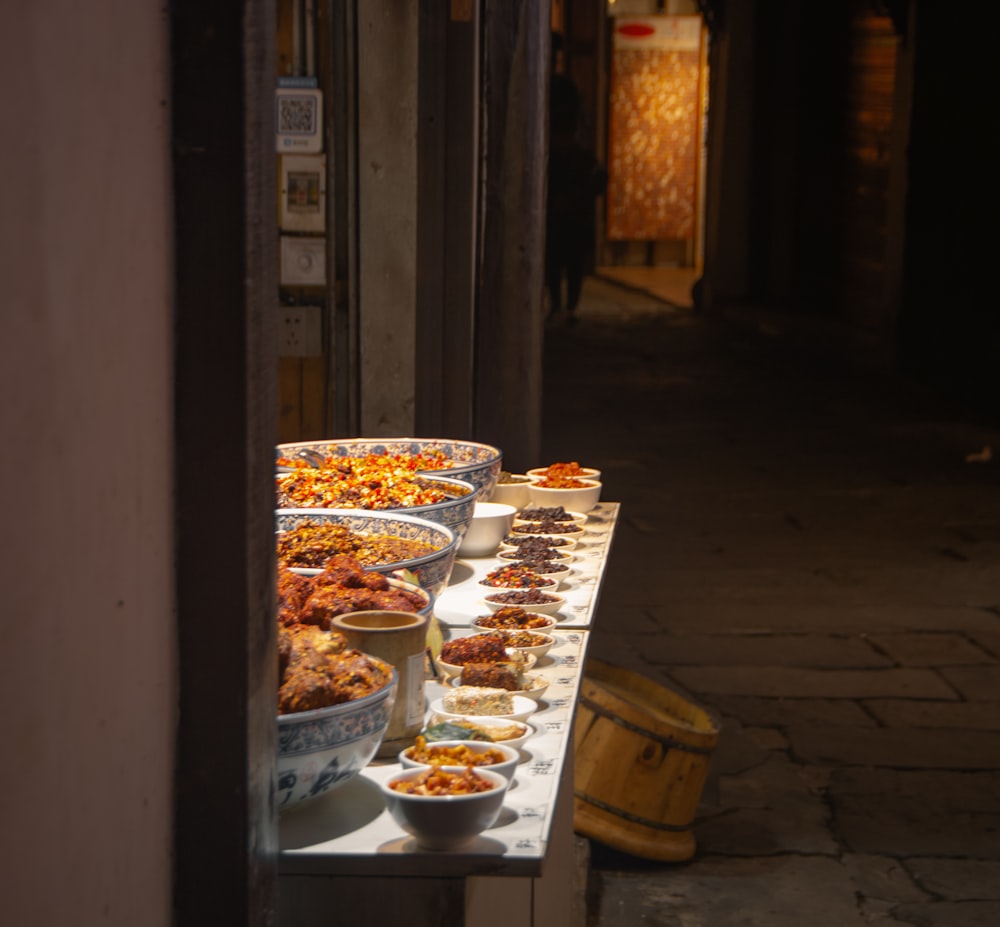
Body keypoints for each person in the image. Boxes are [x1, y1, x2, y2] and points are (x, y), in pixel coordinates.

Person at [545, 32, 607, 321]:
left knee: (566, 254)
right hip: (561, 183)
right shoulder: (559, 89)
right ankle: (563, 305)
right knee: (559, 254)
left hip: (566, 184)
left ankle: (566, 305)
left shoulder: (566, 89)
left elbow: (581, 127)